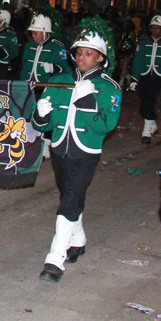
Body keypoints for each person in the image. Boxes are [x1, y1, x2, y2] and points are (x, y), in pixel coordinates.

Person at [31, 18, 121, 283]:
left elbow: (106, 125)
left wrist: (87, 101)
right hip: (60, 148)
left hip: (86, 152)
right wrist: (40, 113)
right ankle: (78, 240)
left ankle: (55, 259)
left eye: (88, 53)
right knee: (71, 193)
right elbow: (42, 124)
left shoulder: (108, 87)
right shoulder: (59, 80)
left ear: (100, 58)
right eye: (79, 52)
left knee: (69, 199)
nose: (82, 58)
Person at [20, 8, 70, 160]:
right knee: (28, 113)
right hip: (30, 85)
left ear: (45, 32)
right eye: (32, 32)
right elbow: (24, 66)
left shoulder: (57, 46)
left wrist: (53, 68)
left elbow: (65, 68)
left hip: (47, 87)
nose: (33, 35)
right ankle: (29, 143)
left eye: (36, 32)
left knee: (47, 115)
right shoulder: (29, 45)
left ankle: (46, 146)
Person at [129, 14, 161, 144]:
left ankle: (147, 132)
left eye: (158, 28)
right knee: (143, 102)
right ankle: (153, 124)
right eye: (153, 28)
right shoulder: (144, 42)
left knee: (150, 101)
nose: (155, 31)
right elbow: (137, 61)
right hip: (144, 75)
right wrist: (134, 79)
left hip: (158, 76)